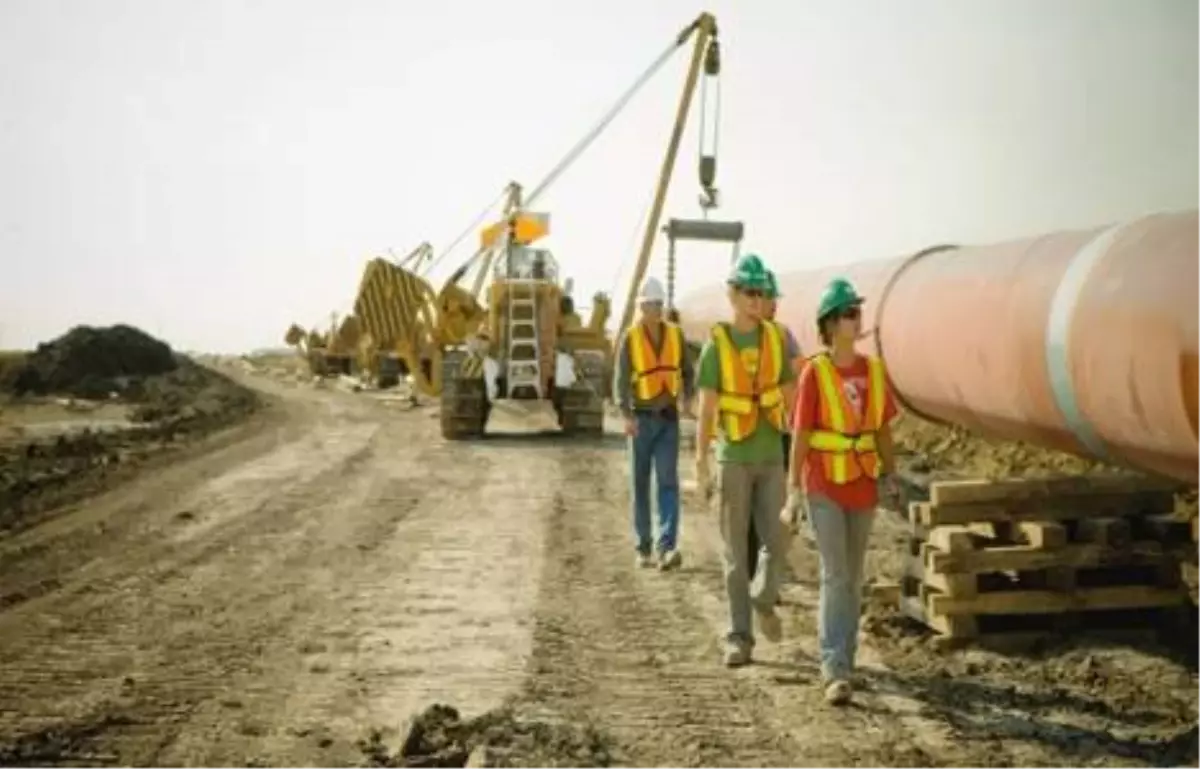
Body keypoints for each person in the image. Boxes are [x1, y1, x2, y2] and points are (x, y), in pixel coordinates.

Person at [782, 277, 899, 706]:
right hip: (824, 486)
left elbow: (883, 428)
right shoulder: (816, 372)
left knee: (853, 576)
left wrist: (891, 474)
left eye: (857, 311)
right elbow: (800, 433)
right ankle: (834, 668)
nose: (857, 318)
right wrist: (792, 489)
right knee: (835, 574)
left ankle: (847, 660)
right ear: (830, 325)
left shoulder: (873, 371)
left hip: (863, 485)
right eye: (849, 313)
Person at [696, 254, 797, 667]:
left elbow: (792, 400)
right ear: (733, 295)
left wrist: (803, 456)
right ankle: (739, 637)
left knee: (778, 540)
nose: (757, 300)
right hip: (734, 456)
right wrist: (701, 460)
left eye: (762, 292)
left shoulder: (777, 338)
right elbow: (706, 409)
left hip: (771, 456)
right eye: (749, 292)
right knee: (737, 554)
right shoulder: (716, 347)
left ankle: (764, 595)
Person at [615, 276, 695, 571]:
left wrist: (688, 397)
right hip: (640, 419)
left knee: (667, 481)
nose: (656, 310)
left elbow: (688, 370)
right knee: (640, 483)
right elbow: (621, 379)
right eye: (650, 304)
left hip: (667, 420)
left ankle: (667, 547)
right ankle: (643, 547)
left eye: (659, 304)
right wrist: (626, 415)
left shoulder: (675, 335)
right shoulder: (631, 338)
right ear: (641, 306)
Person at [747, 269, 804, 582]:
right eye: (768, 298)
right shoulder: (740, 336)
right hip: (749, 431)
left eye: (773, 298)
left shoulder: (783, 336)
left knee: (774, 508)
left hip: (779, 431)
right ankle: (752, 570)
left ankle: (768, 575)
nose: (773, 304)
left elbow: (799, 376)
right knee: (751, 510)